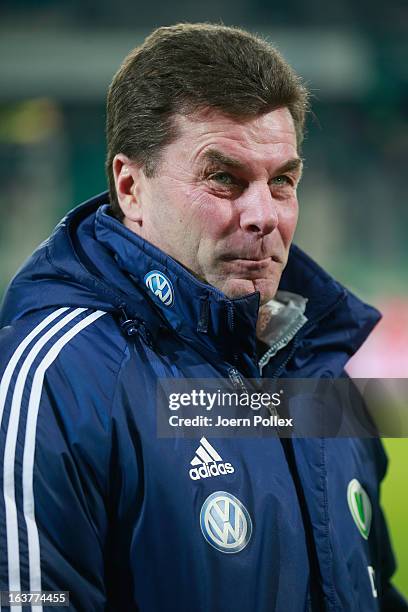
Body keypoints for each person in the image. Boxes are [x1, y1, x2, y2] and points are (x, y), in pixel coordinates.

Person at [0, 23, 406, 612]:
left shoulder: (322, 375)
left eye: (283, 181)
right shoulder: (55, 381)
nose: (264, 215)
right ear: (130, 187)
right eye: (225, 179)